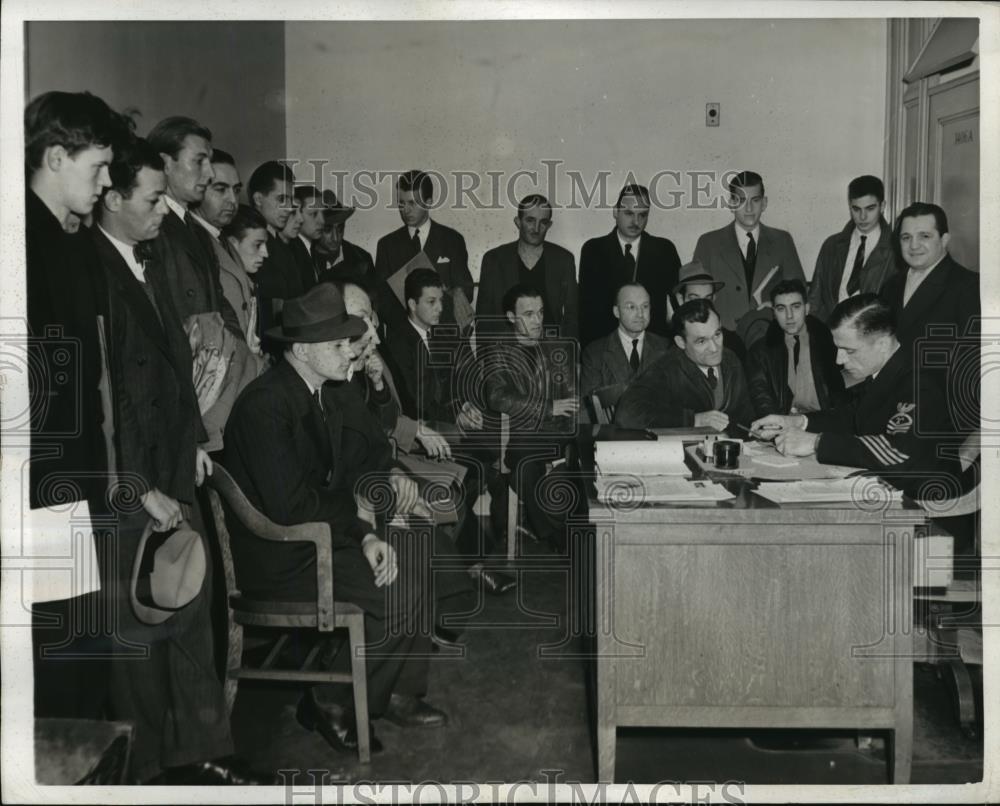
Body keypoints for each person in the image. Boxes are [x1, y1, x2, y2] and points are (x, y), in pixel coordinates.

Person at [90, 135, 267, 785]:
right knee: (139, 626)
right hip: (134, 480)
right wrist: (135, 488)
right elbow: (102, 398)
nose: (165, 209)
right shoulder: (92, 271)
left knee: (192, 607)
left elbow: (178, 364)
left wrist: (192, 440)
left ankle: (200, 750)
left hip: (173, 460)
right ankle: (142, 772)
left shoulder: (146, 257)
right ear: (111, 199)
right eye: (153, 197)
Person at [224, 284, 448, 754]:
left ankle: (385, 694)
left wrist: (366, 528)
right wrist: (363, 526)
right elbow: (292, 509)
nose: (352, 351)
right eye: (339, 344)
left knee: (416, 554)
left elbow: (344, 477)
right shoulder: (266, 405)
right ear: (302, 350)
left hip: (321, 537)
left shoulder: (317, 389)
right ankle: (330, 699)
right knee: (400, 587)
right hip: (285, 555)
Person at [25, 90, 128, 720]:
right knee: (58, 648)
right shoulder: (22, 241)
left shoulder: (68, 242)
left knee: (80, 639)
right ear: (56, 156)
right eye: (97, 167)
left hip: (72, 474)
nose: (107, 182)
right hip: (38, 481)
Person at [751, 294, 955, 498]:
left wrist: (816, 443)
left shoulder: (922, 383)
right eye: (838, 349)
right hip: (887, 489)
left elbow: (897, 452)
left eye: (849, 350)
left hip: (925, 505)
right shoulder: (886, 373)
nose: (840, 360)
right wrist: (796, 422)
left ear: (882, 344)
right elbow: (852, 417)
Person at [485, 284, 584, 551]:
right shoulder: (498, 351)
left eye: (540, 313)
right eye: (529, 314)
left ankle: (549, 532)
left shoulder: (556, 348)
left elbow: (573, 398)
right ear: (511, 317)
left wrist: (566, 427)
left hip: (555, 435)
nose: (538, 320)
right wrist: (547, 407)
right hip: (522, 435)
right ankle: (560, 537)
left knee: (524, 468)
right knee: (526, 464)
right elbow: (497, 397)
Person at [881, 202, 980, 435]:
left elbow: (973, 367)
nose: (914, 245)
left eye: (924, 236)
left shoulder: (968, 286)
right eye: (906, 237)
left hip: (940, 419)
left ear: (944, 239)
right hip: (890, 410)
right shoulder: (890, 286)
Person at [146, 116, 242, 338]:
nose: (209, 174)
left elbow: (218, 303)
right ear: (166, 164)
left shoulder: (195, 228)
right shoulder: (153, 228)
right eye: (199, 161)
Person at [693, 170, 804, 339]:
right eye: (741, 201)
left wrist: (775, 307)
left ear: (764, 203)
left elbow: (799, 291)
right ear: (731, 203)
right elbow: (697, 299)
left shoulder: (783, 241)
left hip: (770, 336)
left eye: (756, 200)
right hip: (722, 338)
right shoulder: (708, 243)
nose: (749, 208)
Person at [615, 299, 753, 433]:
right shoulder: (667, 368)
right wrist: (693, 420)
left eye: (717, 334)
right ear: (681, 342)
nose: (714, 348)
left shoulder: (730, 360)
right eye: (701, 341)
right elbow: (627, 414)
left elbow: (745, 415)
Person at [578, 183, 681, 346]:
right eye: (629, 213)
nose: (636, 221)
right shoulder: (593, 250)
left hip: (655, 348)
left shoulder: (664, 250)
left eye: (642, 215)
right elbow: (585, 308)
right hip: (605, 348)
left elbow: (677, 306)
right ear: (615, 212)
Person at [374, 169, 474, 337]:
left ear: (429, 202)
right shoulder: (387, 245)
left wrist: (448, 294)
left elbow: (466, 291)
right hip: (403, 340)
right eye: (401, 203)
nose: (406, 210)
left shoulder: (452, 240)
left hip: (445, 337)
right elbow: (381, 299)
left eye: (412, 203)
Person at [476, 194, 578, 338]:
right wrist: (488, 358)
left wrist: (569, 351)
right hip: (506, 351)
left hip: (550, 350)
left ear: (549, 225)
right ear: (518, 222)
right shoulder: (494, 259)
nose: (536, 228)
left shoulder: (563, 259)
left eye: (543, 222)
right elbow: (483, 317)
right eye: (530, 220)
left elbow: (572, 315)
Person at [746, 279, 845, 417]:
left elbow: (844, 393)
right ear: (774, 312)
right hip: (785, 422)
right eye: (781, 308)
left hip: (825, 421)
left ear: (807, 308)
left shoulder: (830, 343)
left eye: (796, 306)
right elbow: (761, 397)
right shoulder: (760, 351)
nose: (789, 316)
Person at [808, 175, 896, 324]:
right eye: (856, 209)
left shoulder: (896, 250)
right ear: (850, 206)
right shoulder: (831, 246)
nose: (863, 216)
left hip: (873, 336)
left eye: (870, 208)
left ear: (882, 206)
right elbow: (815, 301)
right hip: (832, 335)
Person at [580, 282, 671, 414]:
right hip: (612, 432)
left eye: (645, 306)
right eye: (631, 307)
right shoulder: (595, 353)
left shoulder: (666, 348)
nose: (640, 314)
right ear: (616, 312)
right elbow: (587, 409)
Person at [248, 160, 302, 338]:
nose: (289, 208)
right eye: (281, 199)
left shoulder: (283, 243)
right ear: (258, 199)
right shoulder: (248, 243)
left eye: (290, 200)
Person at [669, 260, 747, 361]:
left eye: (707, 299)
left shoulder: (733, 343)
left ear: (714, 299)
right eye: (694, 299)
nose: (702, 306)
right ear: (680, 299)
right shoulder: (668, 347)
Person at [314, 189, 376, 286]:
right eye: (327, 229)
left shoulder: (363, 258)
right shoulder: (304, 260)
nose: (335, 237)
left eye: (340, 228)